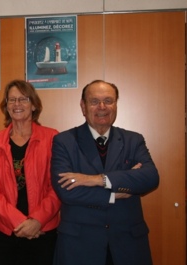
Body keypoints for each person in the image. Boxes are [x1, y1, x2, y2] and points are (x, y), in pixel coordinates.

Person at [51, 80, 159, 265]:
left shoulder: (133, 140)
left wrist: (98, 180)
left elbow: (150, 178)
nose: (102, 107)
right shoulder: (64, 141)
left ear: (116, 104)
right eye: (94, 101)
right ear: (83, 106)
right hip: (80, 246)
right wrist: (114, 193)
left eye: (108, 100)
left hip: (128, 245)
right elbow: (66, 190)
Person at [0, 79, 61, 265]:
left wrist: (36, 221)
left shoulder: (52, 138)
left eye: (23, 99)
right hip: (3, 234)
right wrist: (19, 222)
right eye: (12, 100)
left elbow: (57, 186)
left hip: (42, 232)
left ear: (33, 105)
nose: (17, 104)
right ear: (6, 106)